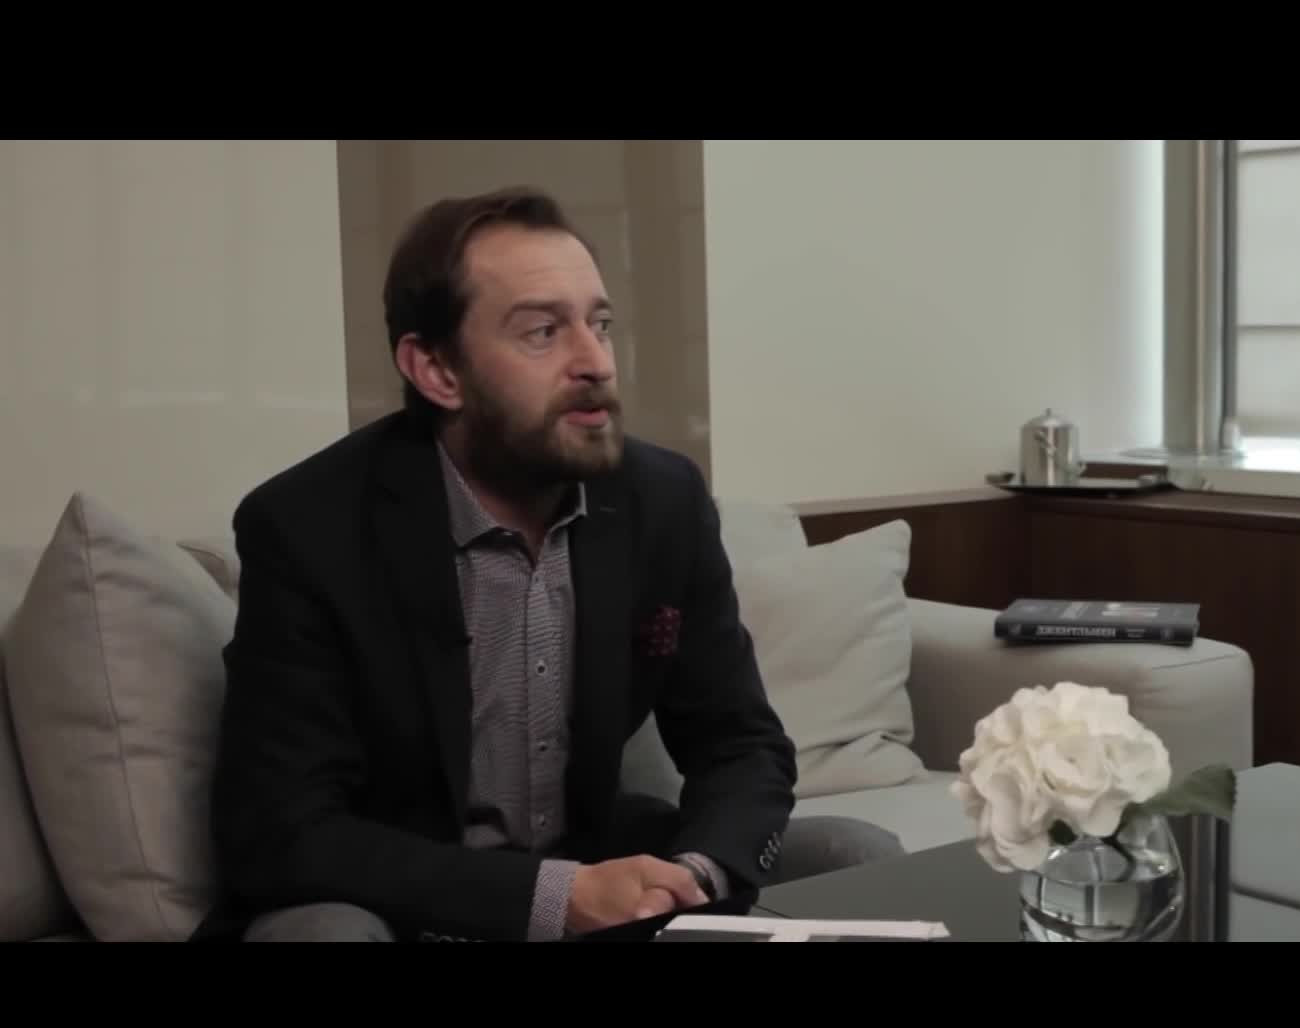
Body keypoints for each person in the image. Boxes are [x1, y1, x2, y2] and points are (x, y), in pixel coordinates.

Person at [196, 186, 896, 942]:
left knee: (855, 854)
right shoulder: (308, 525)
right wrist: (556, 898)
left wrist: (695, 876)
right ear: (436, 369)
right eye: (542, 332)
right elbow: (280, 830)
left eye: (600, 325)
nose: (594, 362)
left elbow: (742, 746)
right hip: (404, 901)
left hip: (598, 866)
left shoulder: (663, 500)